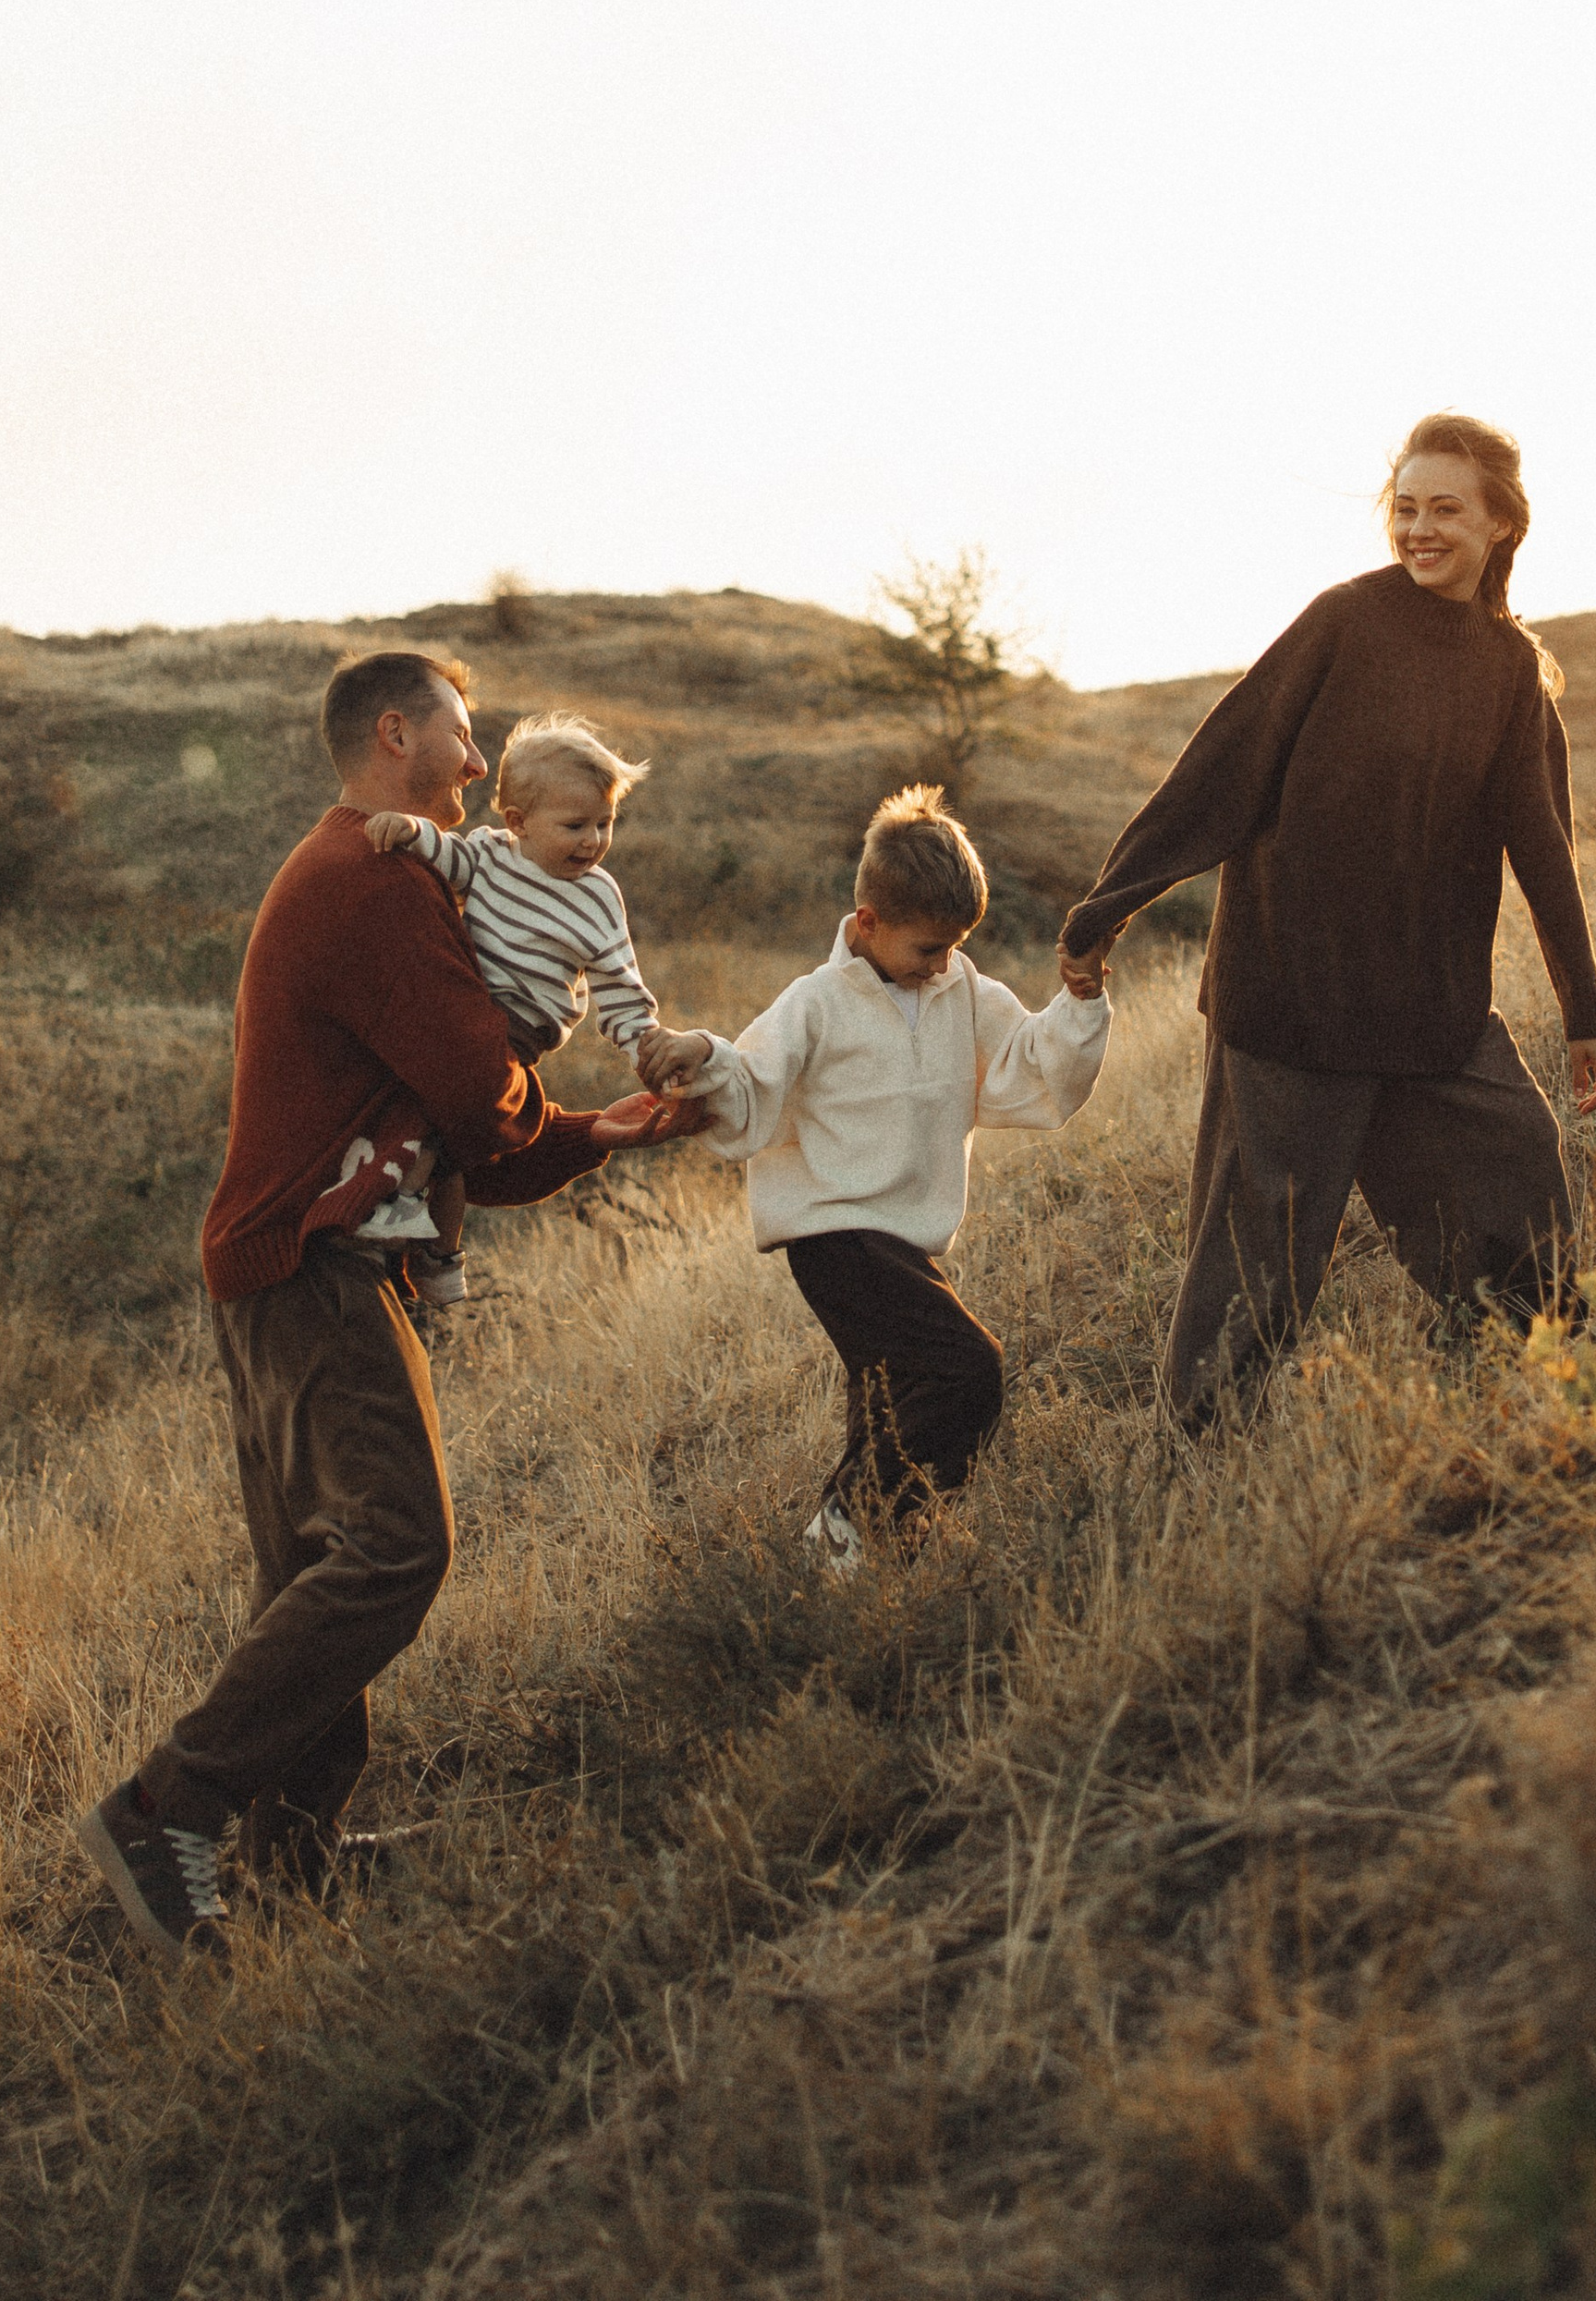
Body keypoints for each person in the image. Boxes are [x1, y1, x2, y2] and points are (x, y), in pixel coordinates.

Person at [76, 651, 701, 1966]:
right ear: (395, 733)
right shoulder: (370, 881)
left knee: (315, 1570)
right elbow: (479, 1091)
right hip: (313, 1264)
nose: (479, 762)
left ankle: (294, 1862)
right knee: (398, 1547)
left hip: (294, 1261)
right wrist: (551, 1096)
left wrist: (595, 1131)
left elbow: (468, 1126)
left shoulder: (395, 875)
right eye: (464, 737)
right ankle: (164, 1808)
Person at [1056, 411, 1596, 1418]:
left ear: (1500, 524)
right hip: (1291, 1001)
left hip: (1429, 1010)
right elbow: (1223, 766)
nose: (1419, 530)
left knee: (1516, 1174)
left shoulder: (1508, 673)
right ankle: (1203, 1445)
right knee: (1259, 1262)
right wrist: (1110, 905)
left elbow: (1544, 848)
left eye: (1445, 510)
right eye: (1405, 508)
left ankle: (1542, 1383)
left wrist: (1587, 1011)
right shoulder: (1343, 623)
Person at [639, 786, 1109, 1568]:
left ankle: (860, 1565)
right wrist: (703, 1052)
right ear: (868, 922)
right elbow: (752, 1081)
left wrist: (1081, 1000)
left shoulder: (963, 992)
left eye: (955, 946)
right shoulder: (816, 1003)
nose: (942, 963)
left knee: (890, 1404)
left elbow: (1031, 1063)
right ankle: (847, 1527)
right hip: (834, 1235)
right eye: (928, 948)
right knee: (968, 1370)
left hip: (903, 1243)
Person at [362, 709, 661, 1305]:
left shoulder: (598, 897)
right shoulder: (491, 854)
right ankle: (438, 1259)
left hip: (520, 1028)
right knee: (449, 1148)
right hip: (465, 1007)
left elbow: (620, 985)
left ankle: (406, 1212)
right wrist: (410, 830)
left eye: (605, 823)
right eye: (576, 825)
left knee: (442, 1123)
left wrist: (645, 1047)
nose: (593, 841)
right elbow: (448, 858)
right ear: (519, 822)